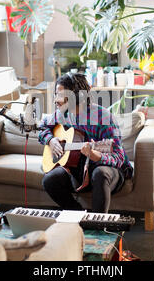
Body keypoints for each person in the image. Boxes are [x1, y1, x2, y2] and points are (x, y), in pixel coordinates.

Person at [38, 72, 133, 213]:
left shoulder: (102, 117)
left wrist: (96, 156)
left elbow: (119, 158)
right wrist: (51, 140)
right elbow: (43, 127)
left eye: (60, 95)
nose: (55, 100)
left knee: (99, 173)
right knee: (50, 179)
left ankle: (98, 225)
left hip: (108, 171)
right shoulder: (62, 114)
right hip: (79, 169)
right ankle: (78, 215)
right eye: (55, 95)